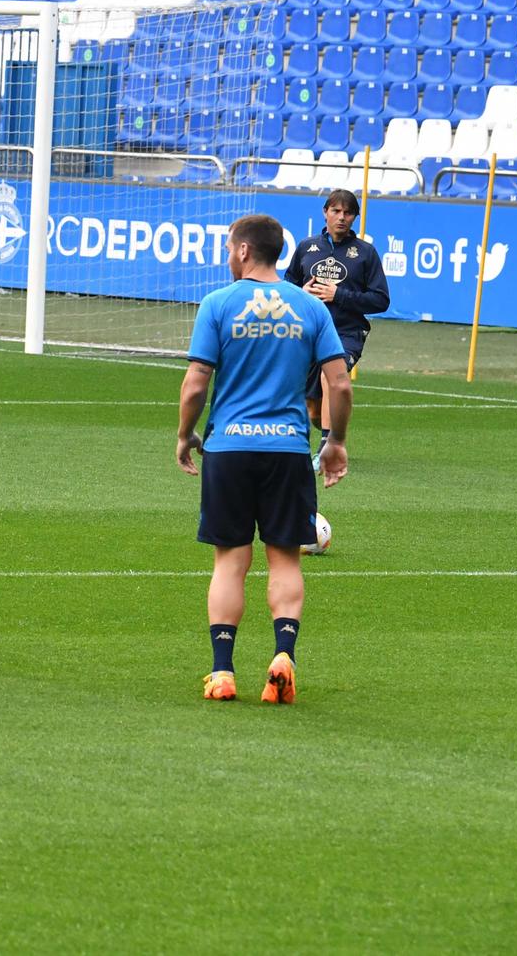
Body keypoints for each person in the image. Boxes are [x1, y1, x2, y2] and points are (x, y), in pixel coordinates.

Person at [178, 213, 352, 705]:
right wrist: (334, 440)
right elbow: (337, 383)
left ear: (244, 251)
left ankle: (222, 671)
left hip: (229, 449)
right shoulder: (311, 308)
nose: (227, 254)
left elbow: (196, 383)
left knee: (230, 562)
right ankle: (283, 654)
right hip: (287, 449)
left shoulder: (218, 304)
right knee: (285, 559)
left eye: (229, 246)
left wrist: (185, 434)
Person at [283, 188, 388, 470]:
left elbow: (381, 300)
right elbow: (287, 284)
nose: (342, 217)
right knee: (313, 409)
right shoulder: (307, 247)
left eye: (348, 213)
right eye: (336, 211)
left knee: (333, 377)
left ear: (355, 217)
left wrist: (338, 295)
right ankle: (325, 430)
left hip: (346, 333)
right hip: (309, 332)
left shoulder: (365, 253)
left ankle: (326, 448)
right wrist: (300, 292)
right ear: (325, 212)